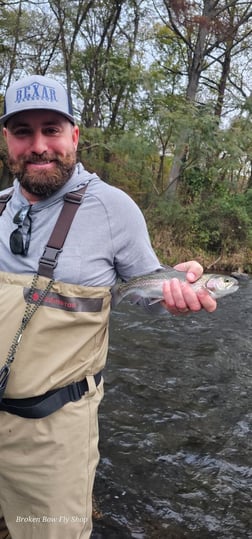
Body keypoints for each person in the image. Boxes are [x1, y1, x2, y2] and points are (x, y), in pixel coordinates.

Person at [0, 74, 216, 539]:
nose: (39, 145)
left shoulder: (115, 210)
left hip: (53, 436)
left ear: (74, 135)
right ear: (7, 141)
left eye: (51, 129)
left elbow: (149, 294)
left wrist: (177, 293)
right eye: (23, 132)